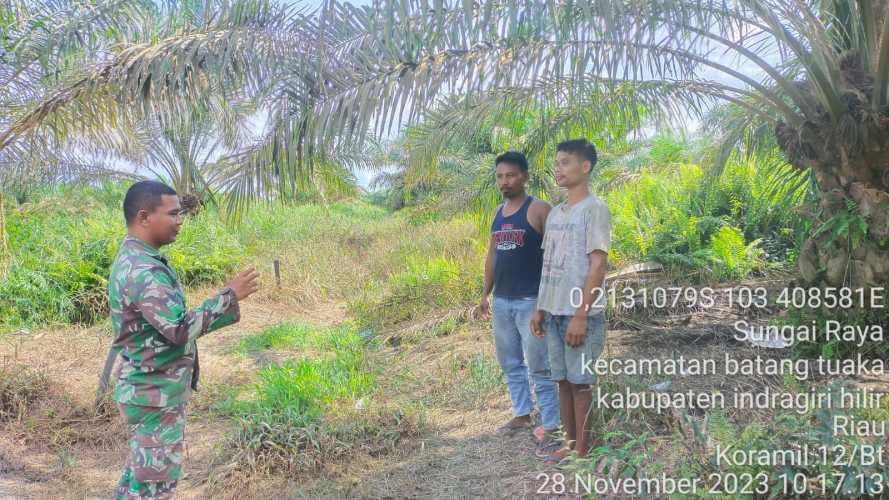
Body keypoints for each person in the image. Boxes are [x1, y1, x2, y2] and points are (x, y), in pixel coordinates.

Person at [106, 180, 259, 499]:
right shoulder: (142, 270)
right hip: (154, 394)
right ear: (144, 217)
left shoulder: (140, 259)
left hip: (150, 390)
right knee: (153, 487)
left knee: (140, 478)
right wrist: (229, 297)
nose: (180, 221)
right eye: (173, 213)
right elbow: (177, 330)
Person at [530, 139, 611, 461]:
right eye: (557, 162)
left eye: (565, 162)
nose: (558, 168)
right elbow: (548, 263)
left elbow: (598, 264)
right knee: (562, 381)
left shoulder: (595, 209)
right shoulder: (556, 214)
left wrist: (581, 314)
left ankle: (583, 450)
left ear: (585, 167)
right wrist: (540, 306)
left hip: (580, 315)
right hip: (553, 311)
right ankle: (569, 444)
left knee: (581, 384)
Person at [479, 151, 560, 445]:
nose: (505, 181)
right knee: (510, 361)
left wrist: (542, 301)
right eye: (500, 176)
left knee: (541, 364)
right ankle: (523, 413)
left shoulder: (539, 209)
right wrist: (485, 294)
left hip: (531, 302)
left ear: (525, 176)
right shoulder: (499, 214)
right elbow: (492, 256)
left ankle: (552, 423)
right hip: (502, 301)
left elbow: (555, 257)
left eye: (511, 175)